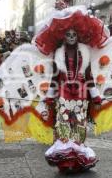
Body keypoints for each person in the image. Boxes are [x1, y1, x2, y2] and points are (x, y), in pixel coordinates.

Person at [45, 28, 102, 172]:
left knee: (78, 127)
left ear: (78, 36)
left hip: (81, 94)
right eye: (68, 35)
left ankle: (77, 162)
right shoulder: (58, 53)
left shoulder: (84, 52)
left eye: (74, 35)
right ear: (63, 36)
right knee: (63, 125)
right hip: (64, 93)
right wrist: (50, 96)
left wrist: (95, 96)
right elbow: (55, 77)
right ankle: (65, 162)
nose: (71, 37)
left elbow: (89, 76)